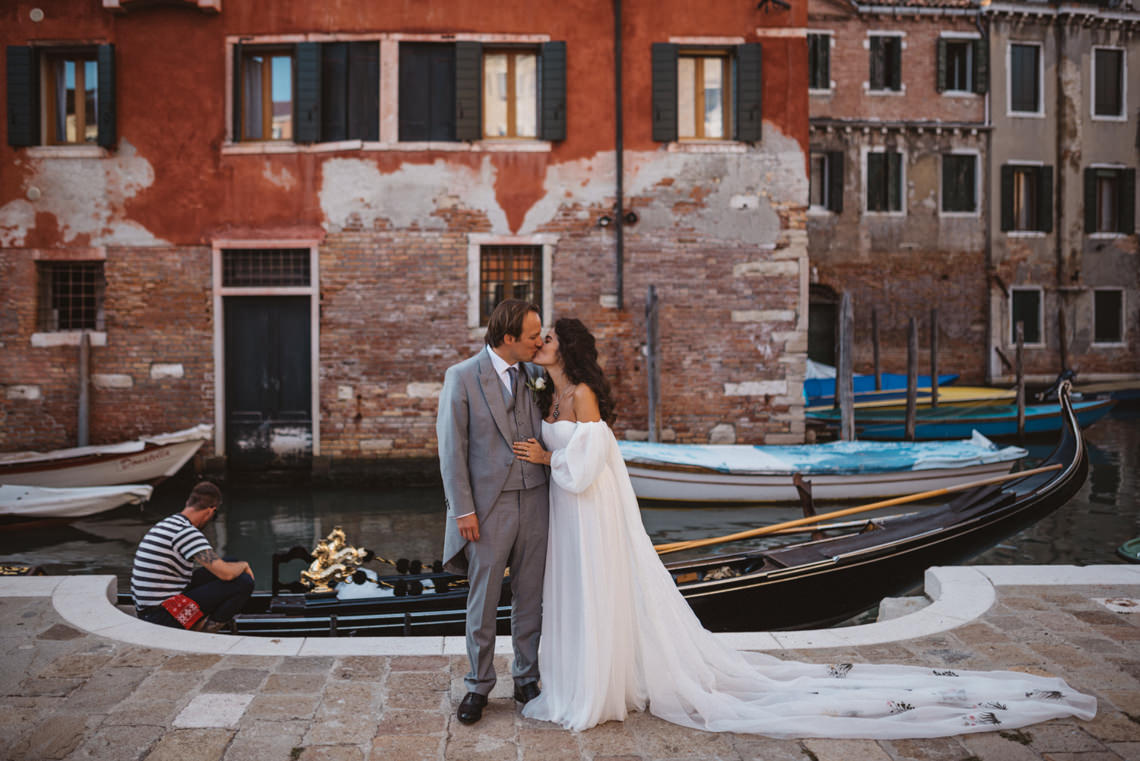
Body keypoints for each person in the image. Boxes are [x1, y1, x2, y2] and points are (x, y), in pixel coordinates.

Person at [510, 317, 1096, 736]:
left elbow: (589, 464)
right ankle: (584, 675)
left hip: (589, 512)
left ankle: (594, 688)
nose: (542, 342)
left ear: (568, 350)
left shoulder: (581, 395)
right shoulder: (550, 392)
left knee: (594, 592)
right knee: (579, 594)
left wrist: (547, 457)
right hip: (570, 514)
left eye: (550, 337)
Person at [437, 298, 550, 725]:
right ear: (508, 338)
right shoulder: (463, 376)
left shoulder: (537, 376)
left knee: (530, 596)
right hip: (487, 508)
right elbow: (452, 449)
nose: (540, 341)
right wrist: (462, 510)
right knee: (483, 599)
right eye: (533, 335)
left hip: (536, 498)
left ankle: (526, 678)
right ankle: (478, 684)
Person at [130, 481, 254, 634]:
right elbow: (226, 574)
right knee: (243, 582)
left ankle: (199, 620)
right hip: (160, 616)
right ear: (211, 510)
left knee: (230, 562)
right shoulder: (186, 532)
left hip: (148, 609)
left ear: (188, 503)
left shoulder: (167, 523)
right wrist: (244, 565)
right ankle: (206, 631)